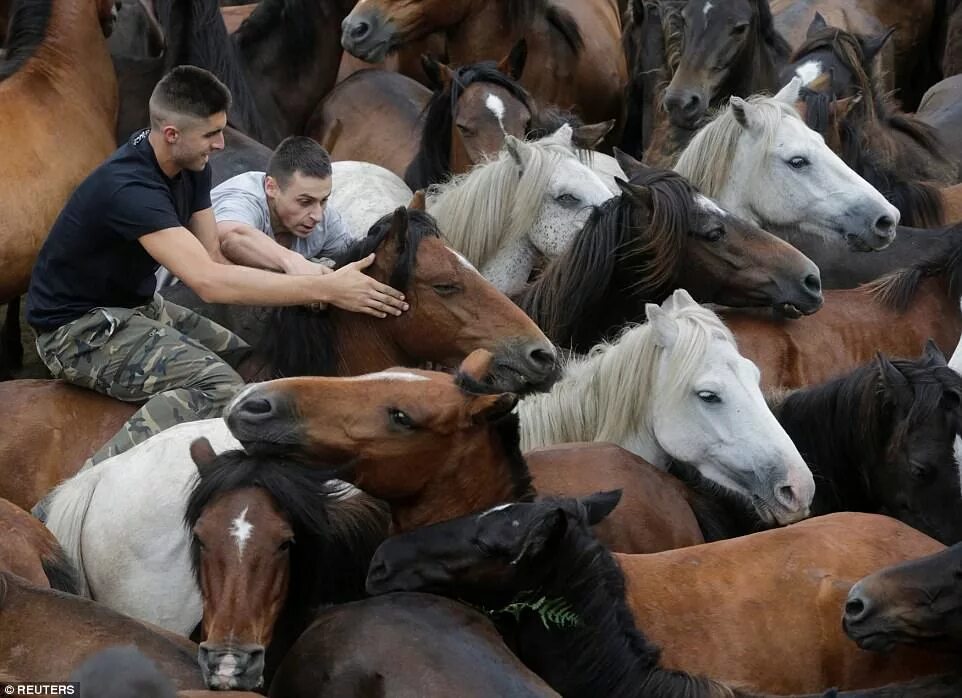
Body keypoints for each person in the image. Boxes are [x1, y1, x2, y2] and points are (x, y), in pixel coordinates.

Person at [26, 66, 407, 518]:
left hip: (138, 306)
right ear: (172, 134)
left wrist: (317, 273)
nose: (222, 144)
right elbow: (207, 283)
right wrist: (323, 287)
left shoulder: (191, 168)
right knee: (216, 385)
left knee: (252, 364)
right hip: (78, 328)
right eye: (212, 134)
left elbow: (215, 255)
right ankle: (73, 499)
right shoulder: (128, 188)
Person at [212, 135, 353, 276]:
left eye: (323, 200)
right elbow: (233, 236)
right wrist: (293, 262)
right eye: (305, 202)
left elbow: (352, 259)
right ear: (271, 187)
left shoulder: (327, 219)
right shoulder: (244, 198)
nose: (317, 216)